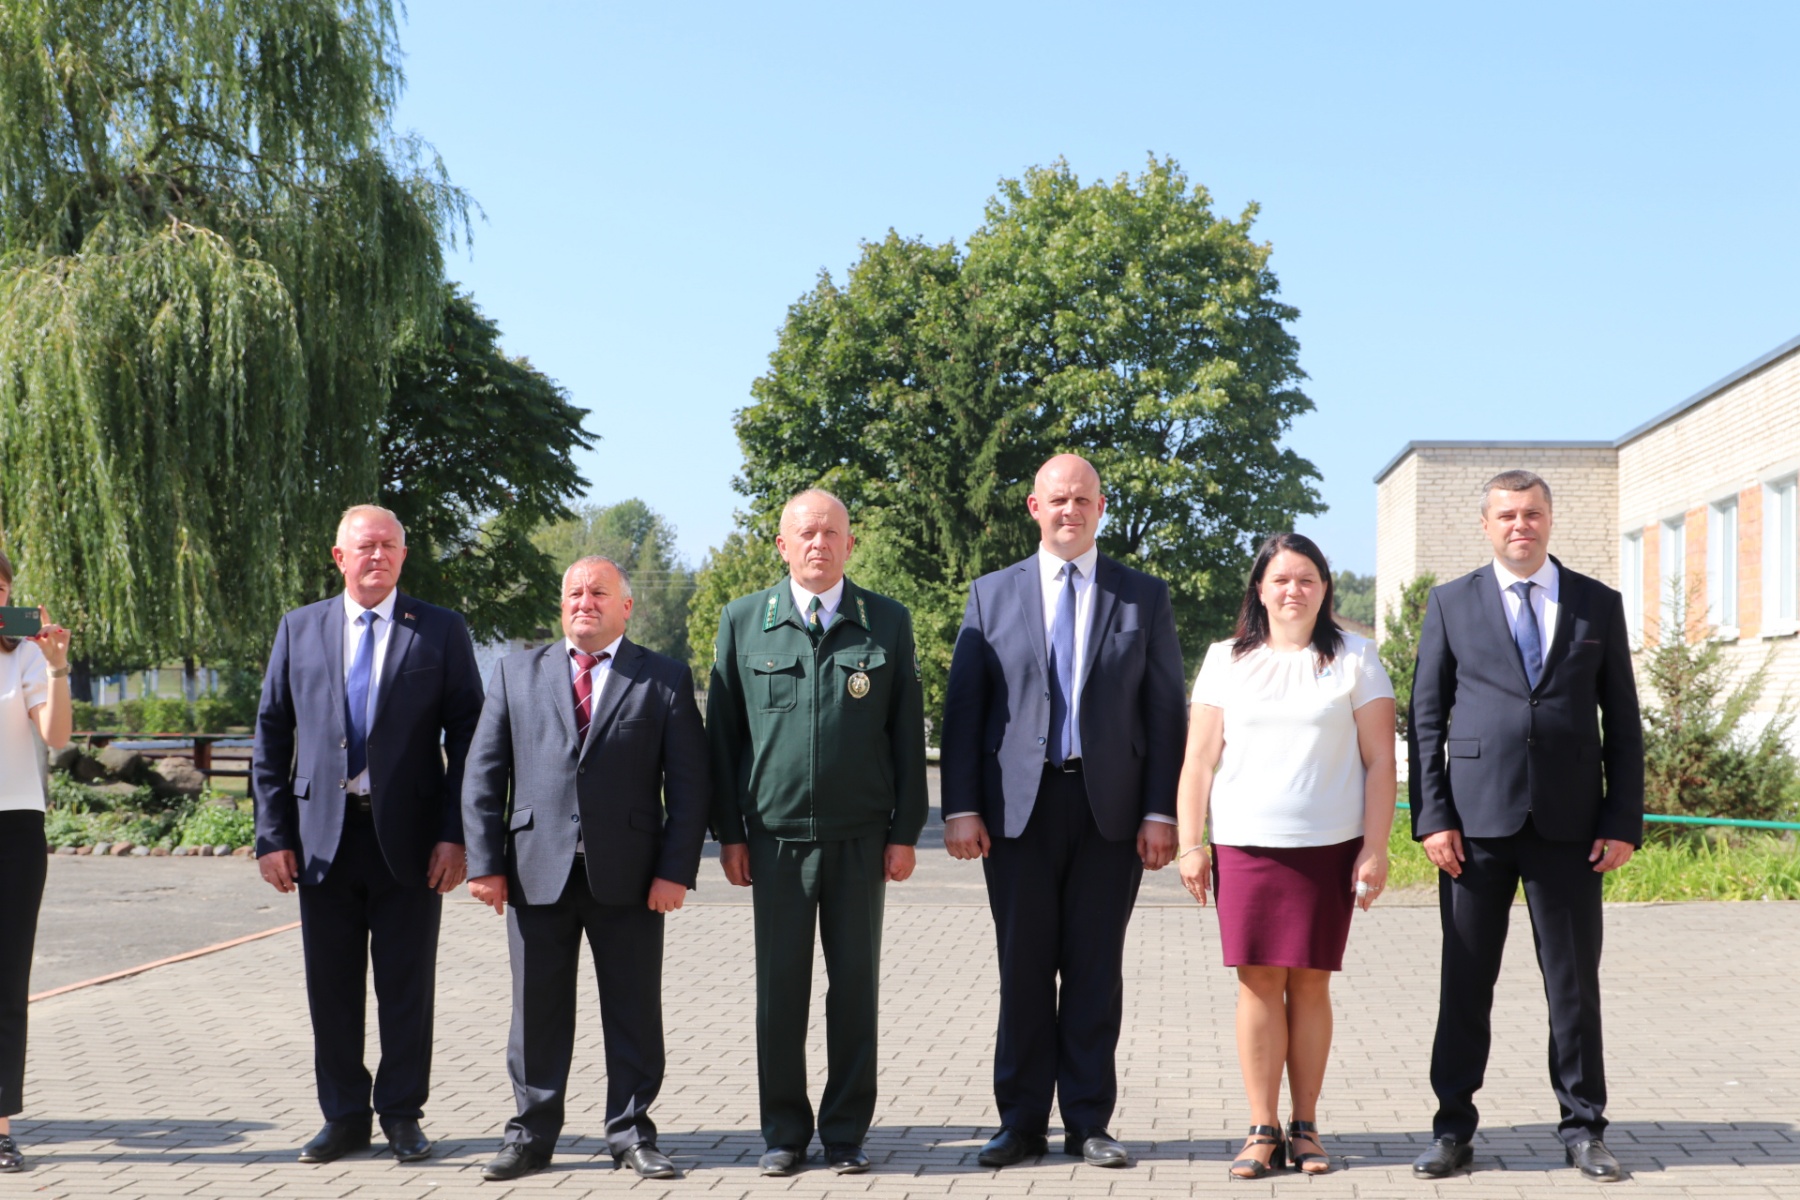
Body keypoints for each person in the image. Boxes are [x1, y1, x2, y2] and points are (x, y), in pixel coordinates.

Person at [940, 453, 1186, 1170]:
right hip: (1017, 813)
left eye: (1083, 499)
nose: (1070, 510)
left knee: (1093, 970)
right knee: (1022, 970)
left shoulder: (1142, 597)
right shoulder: (991, 594)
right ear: (1034, 508)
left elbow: (1164, 714)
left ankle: (1087, 1121)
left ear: (1101, 507)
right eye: (1058, 500)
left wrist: (1161, 811)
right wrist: (960, 807)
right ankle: (1019, 1123)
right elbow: (964, 711)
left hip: (1110, 812)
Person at [1408, 470, 1643, 1183]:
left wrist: (1622, 819)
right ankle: (1452, 1129)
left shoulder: (1597, 603)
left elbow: (1623, 722)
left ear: (1550, 519)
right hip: (1473, 829)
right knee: (1465, 983)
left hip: (1571, 829)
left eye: (1532, 513)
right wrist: (1433, 817)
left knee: (1573, 988)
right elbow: (1426, 719)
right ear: (1486, 524)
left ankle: (1584, 1129)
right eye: (1507, 515)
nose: (1521, 525)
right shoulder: (1450, 602)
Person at [462, 556, 710, 1182]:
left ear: (626, 606)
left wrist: (675, 870)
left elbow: (689, 786)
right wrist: (485, 863)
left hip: (631, 878)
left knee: (633, 1011)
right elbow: (483, 775)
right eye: (574, 592)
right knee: (536, 1014)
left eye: (599, 592)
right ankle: (530, 1136)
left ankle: (631, 1134)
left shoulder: (664, 678)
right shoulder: (516, 673)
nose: (584, 602)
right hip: (533, 872)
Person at [252, 505, 485, 1164]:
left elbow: (471, 736)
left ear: (403, 556)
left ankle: (403, 1114)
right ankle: (344, 1117)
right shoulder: (299, 628)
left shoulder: (439, 630)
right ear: (340, 557)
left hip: (412, 842)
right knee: (331, 988)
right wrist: (272, 834)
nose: (377, 555)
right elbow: (271, 734)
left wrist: (457, 833)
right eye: (365, 546)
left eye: (389, 545)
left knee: (407, 987)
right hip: (320, 840)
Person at [706, 489, 928, 1177]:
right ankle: (783, 1132)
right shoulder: (744, 620)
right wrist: (729, 835)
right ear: (782, 545)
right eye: (805, 533)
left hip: (861, 838)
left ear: (850, 544)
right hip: (773, 841)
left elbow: (905, 733)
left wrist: (905, 831)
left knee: (854, 990)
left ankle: (845, 1132)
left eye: (831, 533)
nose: (818, 544)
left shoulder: (886, 622)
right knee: (780, 992)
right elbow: (723, 738)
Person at [1174, 533, 1396, 1179]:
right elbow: (1198, 759)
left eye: (1306, 579)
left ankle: (1306, 1128)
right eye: (1281, 579)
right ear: (1260, 589)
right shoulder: (1225, 660)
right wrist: (1192, 843)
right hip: (1245, 845)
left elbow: (1381, 761)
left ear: (1325, 589)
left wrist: (1375, 848)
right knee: (1258, 982)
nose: (1293, 590)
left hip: (1329, 847)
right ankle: (1261, 1128)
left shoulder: (1357, 658)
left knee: (1311, 982)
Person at [0, 553, 72, 1174]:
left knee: (5, 983)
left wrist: (57, 667)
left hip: (13, 829)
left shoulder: (22, 656)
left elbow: (56, 736)